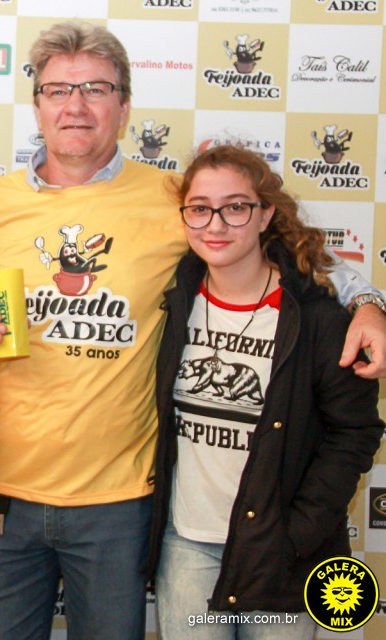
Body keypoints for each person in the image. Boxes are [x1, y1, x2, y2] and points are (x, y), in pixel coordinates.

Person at [0, 21, 386, 640]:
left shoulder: (169, 198)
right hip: (3, 497)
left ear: (124, 106)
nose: (76, 105)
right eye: (58, 90)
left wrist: (367, 302)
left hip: (121, 501)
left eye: (96, 89)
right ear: (37, 104)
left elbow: (290, 251)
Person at [145, 145, 384, 639]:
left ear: (265, 214)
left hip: (283, 553)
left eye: (236, 207)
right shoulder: (173, 296)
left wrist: (297, 534)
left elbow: (355, 433)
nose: (216, 225)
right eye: (200, 208)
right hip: (187, 545)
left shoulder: (317, 316)